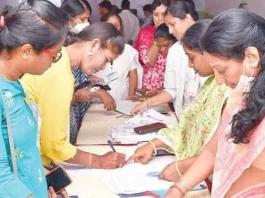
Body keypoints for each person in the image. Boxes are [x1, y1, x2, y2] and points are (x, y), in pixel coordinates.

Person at [165, 9, 265, 197]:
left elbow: (257, 174)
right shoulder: (239, 97)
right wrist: (179, 188)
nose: (219, 81)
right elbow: (214, 149)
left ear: (251, 57)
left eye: (222, 70)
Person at [128, 19, 230, 180]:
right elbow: (190, 127)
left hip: (210, 175)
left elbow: (223, 150)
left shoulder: (232, 89)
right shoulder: (212, 84)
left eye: (191, 57)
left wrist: (182, 169)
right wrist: (153, 144)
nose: (189, 65)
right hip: (198, 172)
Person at [21, 22, 126, 169]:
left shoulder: (60, 63)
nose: (103, 67)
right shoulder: (58, 72)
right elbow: (54, 145)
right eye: (106, 60)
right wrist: (98, 161)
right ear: (94, 45)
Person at [0, 0, 67, 197]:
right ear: (27, 51)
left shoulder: (13, 82)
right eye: (54, 55)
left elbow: (22, 151)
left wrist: (42, 179)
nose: (55, 62)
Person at [132, 0, 202, 119]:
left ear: (188, 18)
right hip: (182, 116)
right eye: (168, 26)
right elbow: (171, 90)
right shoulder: (174, 50)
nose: (170, 31)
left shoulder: (207, 45)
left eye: (173, 24)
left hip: (204, 116)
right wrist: (147, 103)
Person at [96, 12, 142, 101]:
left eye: (116, 25)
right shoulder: (95, 47)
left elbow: (133, 75)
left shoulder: (128, 49)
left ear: (121, 27)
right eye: (109, 25)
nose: (113, 28)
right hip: (99, 96)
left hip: (121, 96)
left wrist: (131, 97)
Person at [135, 0, 171, 91]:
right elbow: (148, 62)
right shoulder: (146, 33)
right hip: (151, 86)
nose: (159, 18)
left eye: (163, 14)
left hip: (171, 84)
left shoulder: (175, 32)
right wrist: (159, 36)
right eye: (156, 14)